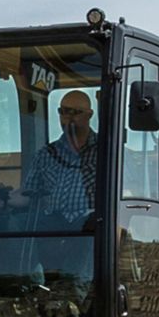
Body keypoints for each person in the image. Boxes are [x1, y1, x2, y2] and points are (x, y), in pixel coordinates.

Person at [25, 89, 98, 225]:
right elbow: (29, 195)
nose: (68, 117)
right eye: (63, 111)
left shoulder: (107, 152)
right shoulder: (45, 154)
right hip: (53, 229)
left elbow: (127, 193)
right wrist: (3, 198)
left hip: (92, 230)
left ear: (89, 115)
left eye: (75, 112)